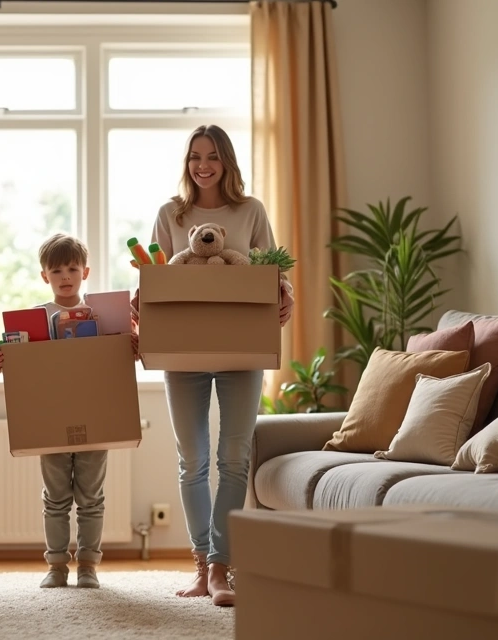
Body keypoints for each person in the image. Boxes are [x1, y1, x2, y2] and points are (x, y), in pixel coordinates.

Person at [131, 124, 294, 607]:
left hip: (242, 349)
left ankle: (224, 568)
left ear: (227, 162)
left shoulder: (251, 211)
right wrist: (142, 302)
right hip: (183, 351)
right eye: (195, 157)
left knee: (234, 458)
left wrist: (286, 295)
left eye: (213, 156)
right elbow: (156, 275)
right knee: (193, 461)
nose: (203, 166)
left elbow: (272, 273)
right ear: (188, 163)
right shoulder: (171, 214)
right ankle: (202, 564)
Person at [0, 234, 137, 589]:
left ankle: (88, 566)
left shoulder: (105, 316)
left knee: (91, 498)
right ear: (45, 276)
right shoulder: (33, 321)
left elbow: (119, 361)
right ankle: (56, 566)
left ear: (86, 272)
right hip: (51, 421)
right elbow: (17, 363)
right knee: (55, 498)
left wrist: (132, 345)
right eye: (56, 270)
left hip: (96, 417)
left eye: (72, 268)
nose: (65, 276)